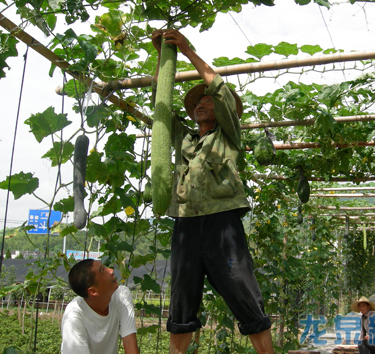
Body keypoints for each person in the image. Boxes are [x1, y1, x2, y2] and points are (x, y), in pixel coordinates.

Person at [151, 29, 275, 354]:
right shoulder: (186, 139)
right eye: (198, 103)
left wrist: (187, 50)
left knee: (244, 292)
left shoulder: (228, 135)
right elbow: (160, 107)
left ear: (222, 110)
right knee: (180, 299)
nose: (203, 105)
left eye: (209, 101)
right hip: (186, 224)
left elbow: (219, 87)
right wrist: (163, 59)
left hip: (223, 222)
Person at [61, 259, 139, 354]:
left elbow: (130, 344)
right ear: (93, 291)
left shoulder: (121, 296)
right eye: (103, 271)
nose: (111, 271)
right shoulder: (73, 319)